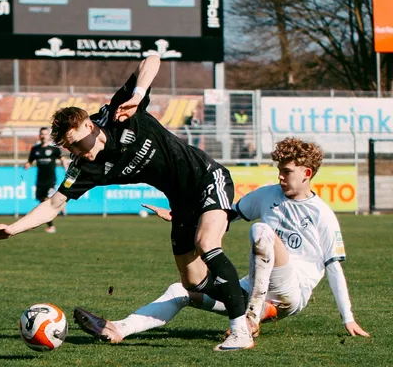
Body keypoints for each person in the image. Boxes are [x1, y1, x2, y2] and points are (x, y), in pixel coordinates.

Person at [0, 55, 252, 352]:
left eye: (77, 142)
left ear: (89, 126)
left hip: (205, 177)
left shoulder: (119, 112)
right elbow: (53, 205)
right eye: (68, 147)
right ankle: (250, 306)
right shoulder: (84, 168)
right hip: (181, 202)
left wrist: (138, 95)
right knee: (193, 282)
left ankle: (240, 331)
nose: (75, 151)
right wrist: (13, 229)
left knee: (206, 244)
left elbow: (152, 60)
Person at [73, 137, 369, 344]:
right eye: (279, 170)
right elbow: (225, 216)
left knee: (262, 232)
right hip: (253, 289)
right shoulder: (267, 195)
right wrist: (181, 217)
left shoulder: (323, 215)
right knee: (182, 290)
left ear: (306, 174)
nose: (280, 177)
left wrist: (348, 318)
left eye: (287, 171)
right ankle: (118, 329)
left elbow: (334, 267)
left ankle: (251, 318)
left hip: (291, 293)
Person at [24, 127, 68, 233]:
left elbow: (62, 159)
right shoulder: (35, 149)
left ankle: (51, 226)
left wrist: (65, 166)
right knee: (41, 201)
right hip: (40, 180)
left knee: (45, 201)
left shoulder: (54, 149)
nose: (43, 136)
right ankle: (60, 206)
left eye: (45, 134)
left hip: (51, 180)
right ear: (39, 136)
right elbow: (30, 161)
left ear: (49, 136)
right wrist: (27, 165)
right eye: (42, 134)